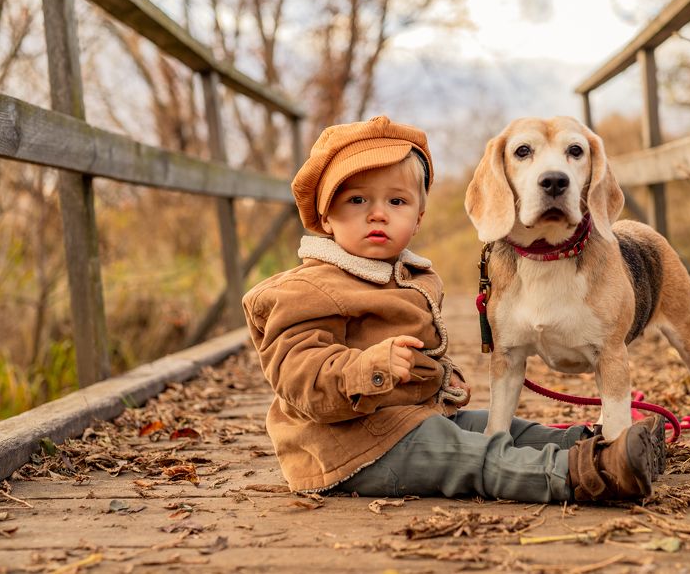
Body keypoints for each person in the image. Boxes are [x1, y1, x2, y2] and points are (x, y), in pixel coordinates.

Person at [242, 115, 666, 503]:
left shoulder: (407, 275)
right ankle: (586, 474)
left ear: (419, 217)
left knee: (498, 428)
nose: (378, 214)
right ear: (324, 218)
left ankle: (601, 442)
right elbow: (298, 380)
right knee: (475, 456)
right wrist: (370, 368)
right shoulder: (304, 289)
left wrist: (438, 378)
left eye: (396, 202)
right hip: (348, 451)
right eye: (356, 201)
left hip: (410, 421)